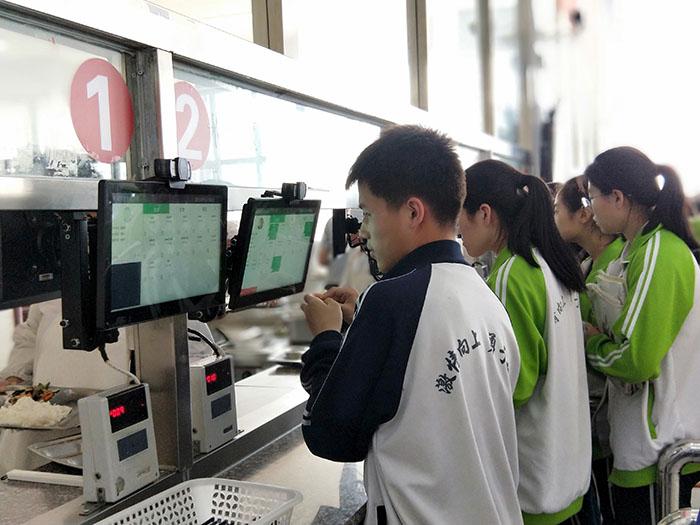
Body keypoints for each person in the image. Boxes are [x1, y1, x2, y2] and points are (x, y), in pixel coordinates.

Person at [299, 125, 523, 524]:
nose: (363, 231)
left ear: (413, 212)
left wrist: (326, 338)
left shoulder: (391, 300)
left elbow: (329, 434)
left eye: (369, 214)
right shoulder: (485, 296)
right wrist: (359, 324)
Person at [459, 160, 591, 525]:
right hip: (565, 470)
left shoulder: (511, 275)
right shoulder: (548, 261)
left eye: (459, 216)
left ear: (484, 213)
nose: (457, 229)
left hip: (533, 482)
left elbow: (512, 387)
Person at [583, 147, 700, 524]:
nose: (590, 210)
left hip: (657, 454)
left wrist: (590, 342)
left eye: (592, 197)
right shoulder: (638, 250)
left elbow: (636, 360)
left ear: (617, 197)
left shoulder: (659, 254)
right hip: (645, 446)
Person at [554, 176, 624, 524]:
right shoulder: (586, 267)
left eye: (556, 210)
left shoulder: (617, 268)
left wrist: (589, 340)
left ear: (583, 215)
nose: (553, 219)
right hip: (594, 421)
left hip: (613, 422)